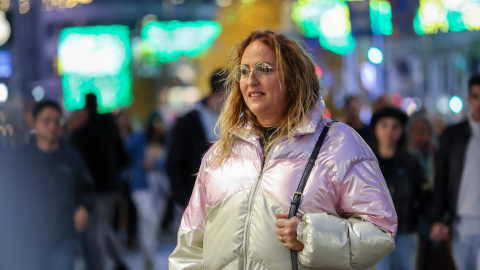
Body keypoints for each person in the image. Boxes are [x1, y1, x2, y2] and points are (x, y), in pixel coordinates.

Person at [169, 30, 397, 269]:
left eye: (264, 69)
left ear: (291, 79)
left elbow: (380, 230)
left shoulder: (339, 144)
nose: (251, 79)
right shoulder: (220, 153)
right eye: (244, 71)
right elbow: (190, 247)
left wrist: (311, 236)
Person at [0, 100, 93, 270]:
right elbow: (8, 196)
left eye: (57, 121)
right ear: (35, 123)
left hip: (62, 236)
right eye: (46, 121)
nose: (52, 126)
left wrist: (83, 207)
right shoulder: (20, 158)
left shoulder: (71, 158)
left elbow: (85, 188)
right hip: (27, 238)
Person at [70, 93, 129, 270]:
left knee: (96, 232)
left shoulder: (84, 131)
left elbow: (81, 162)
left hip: (94, 188)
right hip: (111, 186)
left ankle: (102, 265)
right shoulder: (110, 127)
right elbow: (124, 156)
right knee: (103, 228)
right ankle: (120, 262)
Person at [429, 74, 480, 270]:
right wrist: (438, 219)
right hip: (462, 223)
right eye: (476, 96)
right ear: (469, 98)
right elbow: (441, 180)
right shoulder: (453, 135)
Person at [369, 108, 427, 270]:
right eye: (384, 125)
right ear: (375, 129)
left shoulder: (411, 163)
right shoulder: (365, 163)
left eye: (395, 126)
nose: (389, 131)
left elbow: (423, 197)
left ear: (402, 131)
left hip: (406, 231)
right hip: (375, 233)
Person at [166, 69, 227, 209]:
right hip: (194, 197)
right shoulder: (190, 121)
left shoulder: (234, 121)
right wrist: (183, 199)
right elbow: (174, 162)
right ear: (221, 92)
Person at [127, 112, 170, 269]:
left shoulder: (165, 141)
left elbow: (168, 162)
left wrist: (155, 164)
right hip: (141, 185)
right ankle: (147, 254)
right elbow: (128, 152)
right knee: (147, 218)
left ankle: (149, 252)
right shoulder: (139, 139)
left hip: (160, 188)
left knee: (154, 222)